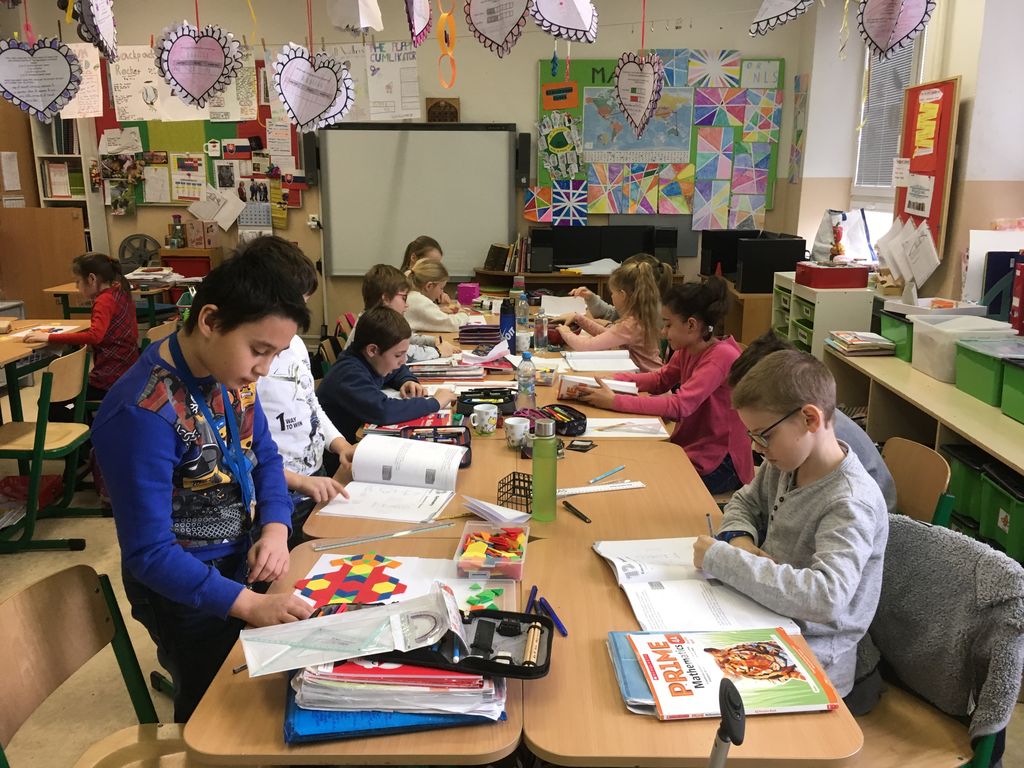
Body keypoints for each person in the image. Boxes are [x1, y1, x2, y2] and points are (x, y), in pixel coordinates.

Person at [91, 239, 315, 722]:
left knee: (267, 690)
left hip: (241, 558)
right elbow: (151, 554)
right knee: (213, 713)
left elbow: (264, 456)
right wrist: (247, 605)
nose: (263, 369)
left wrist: (276, 527)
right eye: (259, 351)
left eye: (275, 355)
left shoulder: (230, 373)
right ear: (210, 321)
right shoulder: (140, 413)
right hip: (182, 589)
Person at [692, 350, 888, 713]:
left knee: (700, 699)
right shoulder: (786, 462)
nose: (757, 448)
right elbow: (744, 501)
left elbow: (825, 598)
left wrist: (723, 559)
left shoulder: (849, 501)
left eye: (764, 436)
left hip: (812, 660)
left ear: (809, 418)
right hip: (765, 617)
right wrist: (740, 541)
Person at [577, 277, 753, 494]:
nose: (663, 332)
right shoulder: (689, 347)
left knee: (648, 485)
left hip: (720, 462)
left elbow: (680, 405)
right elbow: (661, 380)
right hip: (692, 447)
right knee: (630, 465)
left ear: (691, 325)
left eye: (668, 325)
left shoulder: (721, 357)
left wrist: (615, 401)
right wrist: (614, 380)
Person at [255, 239, 354, 548]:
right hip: (279, 488)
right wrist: (298, 482)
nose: (300, 316)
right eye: (296, 304)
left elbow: (310, 404)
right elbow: (249, 450)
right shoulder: (251, 362)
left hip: (315, 473)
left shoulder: (296, 345)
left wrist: (339, 443)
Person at [728, 332, 897, 512]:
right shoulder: (794, 445)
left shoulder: (815, 443)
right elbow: (748, 503)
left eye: (765, 435)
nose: (757, 447)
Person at [318, 306, 458, 452]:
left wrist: (407, 380)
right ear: (372, 350)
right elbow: (383, 410)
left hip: (358, 444)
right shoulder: (349, 374)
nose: (403, 361)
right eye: (398, 355)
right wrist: (434, 403)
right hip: (340, 457)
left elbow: (397, 370)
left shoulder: (370, 360)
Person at [25, 252, 139, 420]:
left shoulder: (104, 300)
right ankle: (89, 423)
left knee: (50, 402)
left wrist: (48, 338)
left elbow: (95, 336)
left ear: (91, 279)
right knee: (67, 400)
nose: (77, 287)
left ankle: (87, 431)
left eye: (78, 281)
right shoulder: (120, 291)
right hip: (128, 371)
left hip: (110, 377)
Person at [556, 258, 667, 372]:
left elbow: (586, 346)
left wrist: (566, 332)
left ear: (622, 295)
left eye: (613, 293)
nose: (612, 296)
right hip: (653, 376)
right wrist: (578, 318)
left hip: (648, 381)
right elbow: (608, 334)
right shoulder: (639, 318)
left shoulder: (630, 325)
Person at [345, 264, 457, 362]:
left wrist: (433, 341)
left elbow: (406, 338)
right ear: (386, 298)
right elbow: (404, 354)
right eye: (404, 298)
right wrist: (438, 351)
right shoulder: (375, 326)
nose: (406, 305)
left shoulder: (380, 320)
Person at [565, 253, 674, 323]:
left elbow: (614, 332)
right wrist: (591, 298)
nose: (612, 295)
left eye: (614, 292)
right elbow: (614, 314)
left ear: (624, 294)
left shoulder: (651, 318)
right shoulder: (637, 306)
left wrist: (587, 320)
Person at [404, 260, 471, 333]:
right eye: (441, 288)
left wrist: (438, 310)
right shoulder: (419, 301)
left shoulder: (411, 295)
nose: (442, 292)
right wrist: (463, 313)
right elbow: (453, 325)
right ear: (429, 286)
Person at [400, 235, 451, 304]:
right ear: (414, 258)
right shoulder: (399, 286)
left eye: (437, 264)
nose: (435, 268)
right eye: (430, 263)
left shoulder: (431, 285)